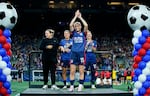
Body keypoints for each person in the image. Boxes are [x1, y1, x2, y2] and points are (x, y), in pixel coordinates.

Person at [69, 10, 88, 92]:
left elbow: (86, 25)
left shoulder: (83, 33)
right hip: (73, 53)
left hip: (81, 54)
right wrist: (75, 16)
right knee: (72, 71)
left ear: (80, 27)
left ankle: (80, 85)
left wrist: (80, 17)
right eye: (76, 25)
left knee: (81, 70)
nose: (77, 26)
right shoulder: (73, 33)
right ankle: (72, 86)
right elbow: (70, 24)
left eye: (78, 25)